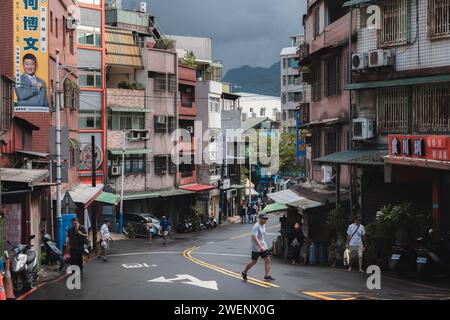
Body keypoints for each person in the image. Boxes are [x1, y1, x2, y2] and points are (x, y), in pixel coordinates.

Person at [241, 213, 275, 282]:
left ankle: (267, 276)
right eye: (264, 219)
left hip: (263, 245)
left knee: (267, 259)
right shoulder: (256, 226)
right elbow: (254, 237)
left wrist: (263, 246)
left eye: (266, 219)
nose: (266, 220)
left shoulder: (264, 225)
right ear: (260, 219)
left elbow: (262, 235)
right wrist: (260, 246)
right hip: (256, 247)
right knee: (254, 261)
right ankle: (244, 272)